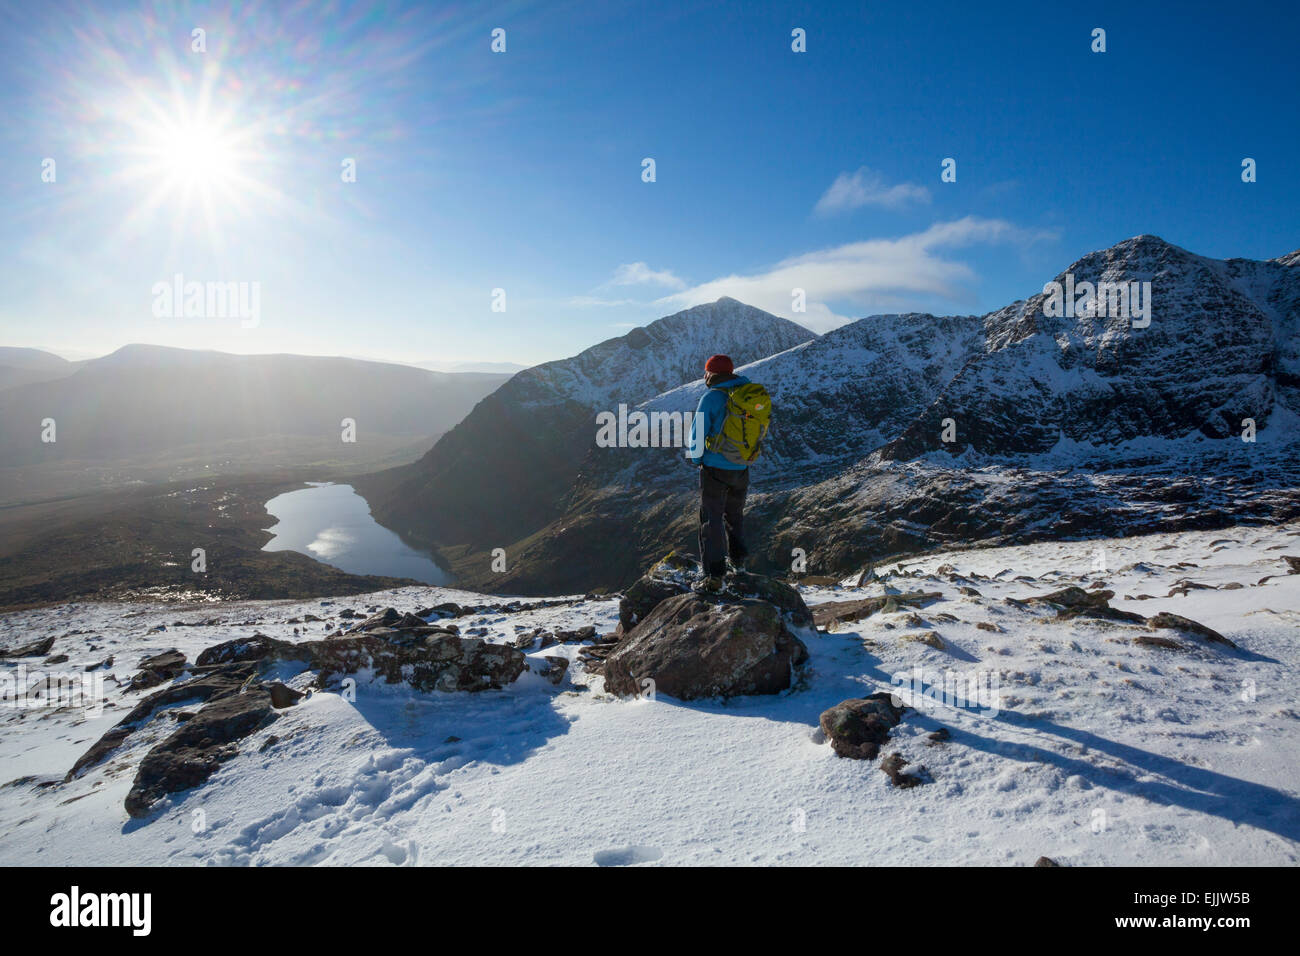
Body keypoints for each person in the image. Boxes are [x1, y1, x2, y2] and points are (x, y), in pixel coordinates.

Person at [685, 354, 751, 593]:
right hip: (741, 467)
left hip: (715, 468)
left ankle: (714, 576)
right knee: (735, 515)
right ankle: (739, 564)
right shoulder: (746, 395)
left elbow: (697, 433)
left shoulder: (712, 397)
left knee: (711, 519)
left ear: (711, 374)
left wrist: (697, 459)